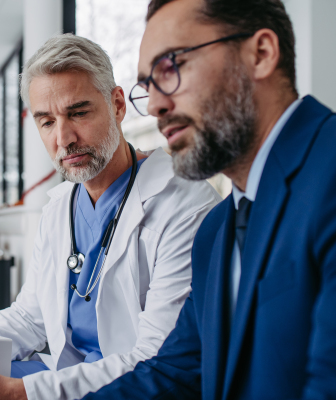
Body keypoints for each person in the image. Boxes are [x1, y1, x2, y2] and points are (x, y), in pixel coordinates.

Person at [0, 34, 221, 400]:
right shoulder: (59, 208)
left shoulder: (184, 204)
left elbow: (158, 359)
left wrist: (22, 393)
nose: (63, 139)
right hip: (63, 378)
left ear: (117, 105)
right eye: (46, 122)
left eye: (78, 113)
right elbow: (29, 317)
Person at [82, 0, 336, 399]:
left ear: (261, 54)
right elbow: (175, 373)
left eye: (172, 66)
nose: (154, 106)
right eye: (147, 85)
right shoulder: (217, 230)